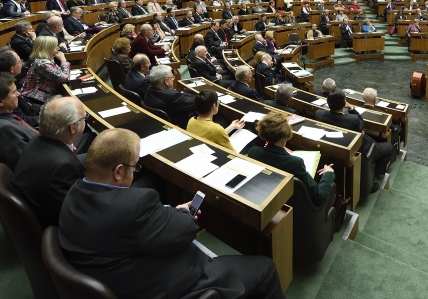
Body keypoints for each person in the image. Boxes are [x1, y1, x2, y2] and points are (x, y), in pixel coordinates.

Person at [58, 128, 284, 299]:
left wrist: (163, 214)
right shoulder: (135, 204)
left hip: (116, 274)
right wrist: (183, 214)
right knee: (265, 268)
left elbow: (134, 228)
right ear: (118, 172)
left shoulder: (73, 193)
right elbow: (185, 229)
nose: (135, 173)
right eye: (135, 167)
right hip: (164, 286)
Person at [12, 96, 87, 227]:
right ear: (73, 127)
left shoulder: (38, 140)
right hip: (57, 226)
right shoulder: (63, 167)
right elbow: (78, 213)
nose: (86, 121)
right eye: (85, 118)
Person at [248, 111, 334, 206]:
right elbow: (319, 197)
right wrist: (328, 174)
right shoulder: (295, 163)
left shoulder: (253, 152)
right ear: (285, 136)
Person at [316, 91, 391, 193]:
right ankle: (374, 176)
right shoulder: (352, 119)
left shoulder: (319, 114)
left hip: (334, 148)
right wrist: (351, 108)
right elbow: (361, 122)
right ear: (344, 103)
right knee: (388, 147)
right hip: (359, 150)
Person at [19, 36, 71, 106]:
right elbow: (65, 78)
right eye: (56, 47)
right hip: (36, 98)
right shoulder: (43, 64)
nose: (58, 48)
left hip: (45, 94)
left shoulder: (47, 60)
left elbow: (61, 73)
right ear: (48, 49)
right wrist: (63, 60)